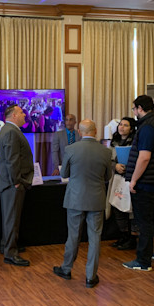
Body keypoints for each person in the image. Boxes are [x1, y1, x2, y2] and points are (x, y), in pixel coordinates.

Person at [53, 120, 111, 288]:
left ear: (79, 132)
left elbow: (64, 173)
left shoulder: (71, 149)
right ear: (95, 131)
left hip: (75, 199)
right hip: (96, 199)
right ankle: (91, 277)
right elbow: (107, 176)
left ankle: (66, 269)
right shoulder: (105, 151)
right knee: (95, 238)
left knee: (73, 236)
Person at [123, 95, 154, 272]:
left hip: (147, 182)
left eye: (134, 109)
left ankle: (143, 261)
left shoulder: (147, 127)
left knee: (144, 222)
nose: (134, 112)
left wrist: (134, 180)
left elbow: (144, 157)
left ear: (140, 108)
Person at [0, 104, 34, 267]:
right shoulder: (11, 131)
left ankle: (6, 245)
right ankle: (10, 253)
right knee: (12, 219)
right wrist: (17, 181)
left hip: (9, 182)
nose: (25, 114)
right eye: (21, 112)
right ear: (13, 116)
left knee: (9, 217)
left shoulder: (9, 130)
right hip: (12, 183)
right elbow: (12, 160)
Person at [109, 117, 137, 250]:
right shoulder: (114, 141)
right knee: (117, 206)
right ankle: (123, 235)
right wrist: (115, 166)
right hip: (117, 178)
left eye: (126, 125)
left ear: (131, 129)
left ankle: (132, 238)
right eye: (120, 124)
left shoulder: (136, 141)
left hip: (131, 178)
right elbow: (109, 160)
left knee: (130, 209)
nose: (122, 127)